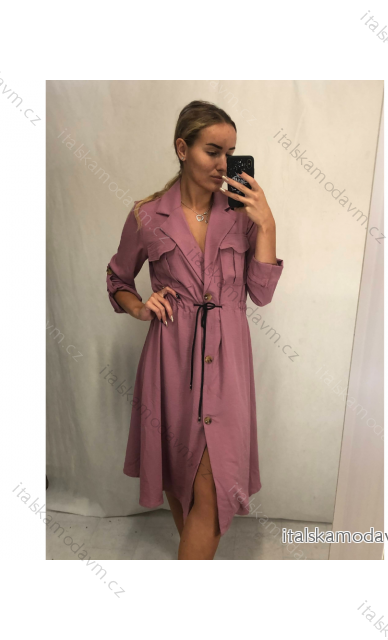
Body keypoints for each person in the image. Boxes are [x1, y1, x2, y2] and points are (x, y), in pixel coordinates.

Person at [106, 100, 284, 559]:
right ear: (182, 149)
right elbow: (118, 279)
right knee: (180, 477)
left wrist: (267, 224)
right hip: (170, 363)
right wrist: (140, 308)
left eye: (231, 153)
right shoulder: (147, 215)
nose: (224, 164)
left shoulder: (243, 214)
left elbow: (261, 293)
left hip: (227, 366)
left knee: (213, 492)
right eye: (213, 151)